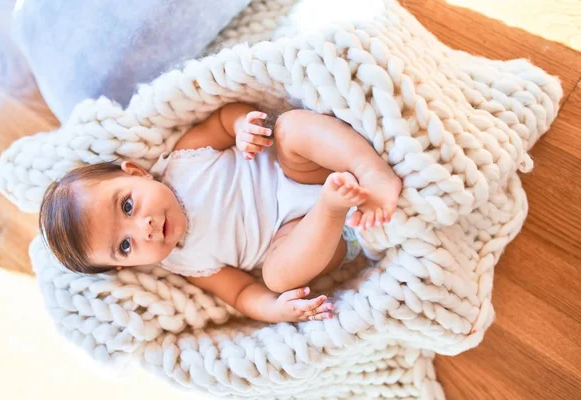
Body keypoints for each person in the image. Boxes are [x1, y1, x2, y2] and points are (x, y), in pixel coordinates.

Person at [39, 103, 402, 323]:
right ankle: (331, 207)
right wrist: (275, 309)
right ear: (125, 266)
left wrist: (242, 126)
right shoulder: (186, 263)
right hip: (308, 236)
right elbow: (243, 293)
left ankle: (369, 170)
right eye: (126, 245)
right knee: (276, 278)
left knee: (290, 127)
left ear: (136, 172)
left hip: (300, 169)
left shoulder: (183, 160)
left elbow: (222, 121)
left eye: (128, 206)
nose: (144, 228)